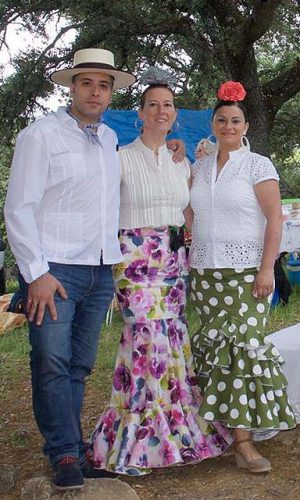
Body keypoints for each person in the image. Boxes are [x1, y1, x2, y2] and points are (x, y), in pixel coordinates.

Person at [88, 67, 232, 475]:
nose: (161, 110)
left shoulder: (179, 160)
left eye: (167, 105)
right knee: (144, 341)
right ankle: (135, 442)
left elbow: (189, 209)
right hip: (133, 257)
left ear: (174, 112)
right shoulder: (118, 158)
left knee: (171, 336)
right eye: (153, 104)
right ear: (140, 112)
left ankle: (175, 434)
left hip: (172, 257)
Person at [4, 48, 135, 490]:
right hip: (54, 269)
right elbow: (18, 208)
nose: (95, 92)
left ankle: (75, 449)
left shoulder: (110, 139)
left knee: (78, 365)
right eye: (87, 83)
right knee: (51, 362)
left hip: (99, 268)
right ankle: (62, 451)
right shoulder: (41, 136)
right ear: (71, 87)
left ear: (110, 92)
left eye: (104, 85)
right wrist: (36, 274)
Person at [189, 81, 296, 473]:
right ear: (212, 124)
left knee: (244, 351)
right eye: (222, 120)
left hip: (246, 273)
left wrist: (267, 267)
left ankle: (245, 442)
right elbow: (190, 210)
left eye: (235, 120)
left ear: (246, 126)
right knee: (216, 352)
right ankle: (222, 432)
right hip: (205, 274)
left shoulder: (258, 165)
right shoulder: (199, 165)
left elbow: (274, 219)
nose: (228, 126)